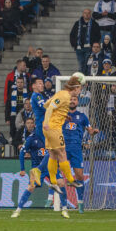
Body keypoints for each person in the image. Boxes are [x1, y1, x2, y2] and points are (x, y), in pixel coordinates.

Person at [30, 74, 84, 213]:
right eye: (79, 89)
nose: (79, 92)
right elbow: (49, 108)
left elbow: (49, 104)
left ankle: (53, 181)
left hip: (47, 126)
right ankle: (70, 179)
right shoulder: (64, 96)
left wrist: (62, 114)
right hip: (52, 127)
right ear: (76, 88)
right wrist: (48, 122)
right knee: (62, 153)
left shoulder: (59, 94)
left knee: (53, 154)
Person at [62, 96, 99, 213]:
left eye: (74, 100)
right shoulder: (61, 115)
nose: (72, 101)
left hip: (76, 149)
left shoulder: (82, 117)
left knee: (79, 176)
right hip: (63, 149)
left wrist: (94, 132)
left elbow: (90, 130)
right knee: (56, 172)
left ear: (77, 102)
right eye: (71, 100)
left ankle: (81, 203)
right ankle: (55, 200)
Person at [11, 120, 53, 218]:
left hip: (50, 165)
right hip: (37, 168)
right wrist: (22, 169)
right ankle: (18, 209)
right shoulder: (31, 138)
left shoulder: (49, 137)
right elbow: (22, 153)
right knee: (31, 187)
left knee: (59, 182)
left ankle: (54, 202)